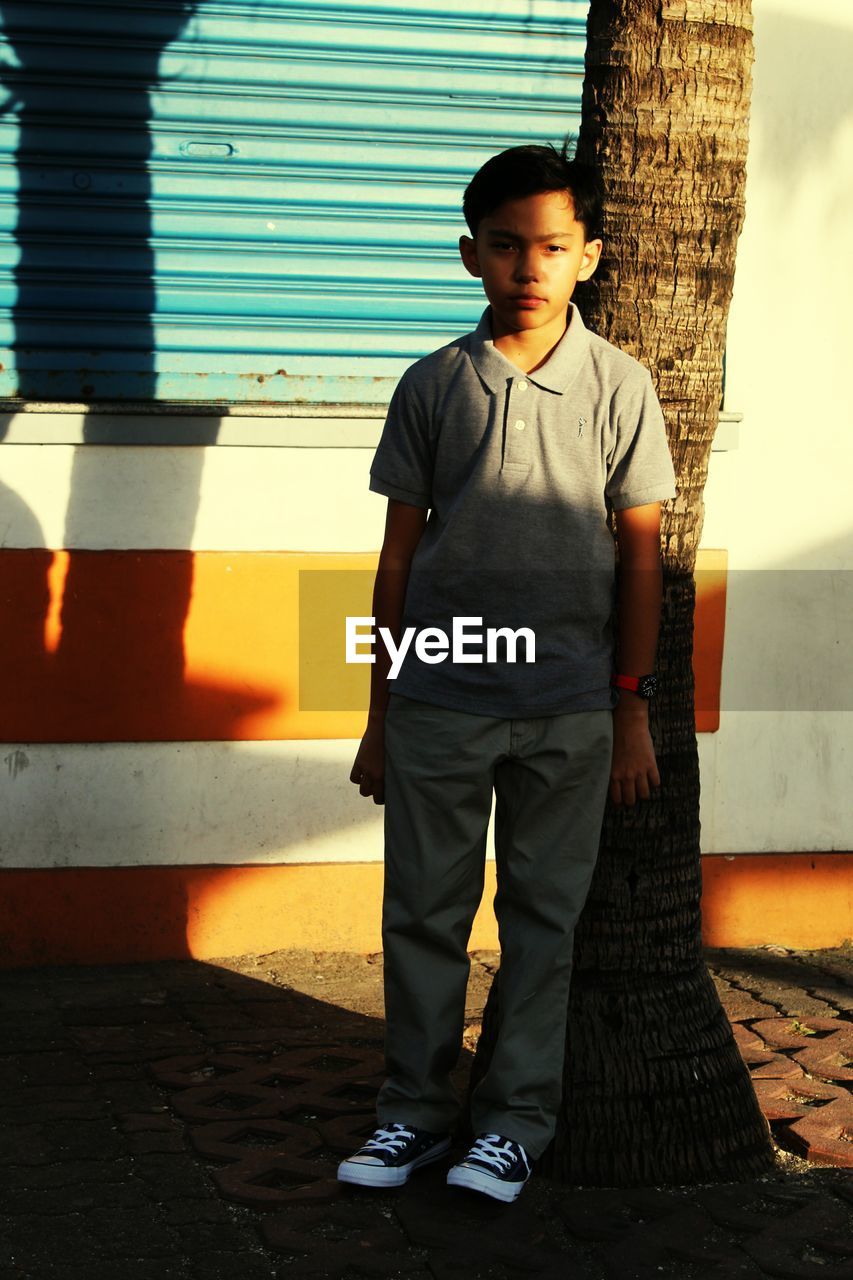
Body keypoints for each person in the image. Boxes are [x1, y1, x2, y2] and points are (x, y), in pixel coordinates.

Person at [336, 140, 677, 1203]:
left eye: (553, 246)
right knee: (422, 914)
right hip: (440, 695)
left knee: (542, 921)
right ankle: (412, 1114)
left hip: (572, 707)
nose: (529, 266)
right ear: (469, 255)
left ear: (589, 256)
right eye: (505, 246)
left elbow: (641, 558)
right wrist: (379, 713)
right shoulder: (433, 383)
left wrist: (630, 711)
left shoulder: (618, 386)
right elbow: (398, 556)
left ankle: (515, 1122)